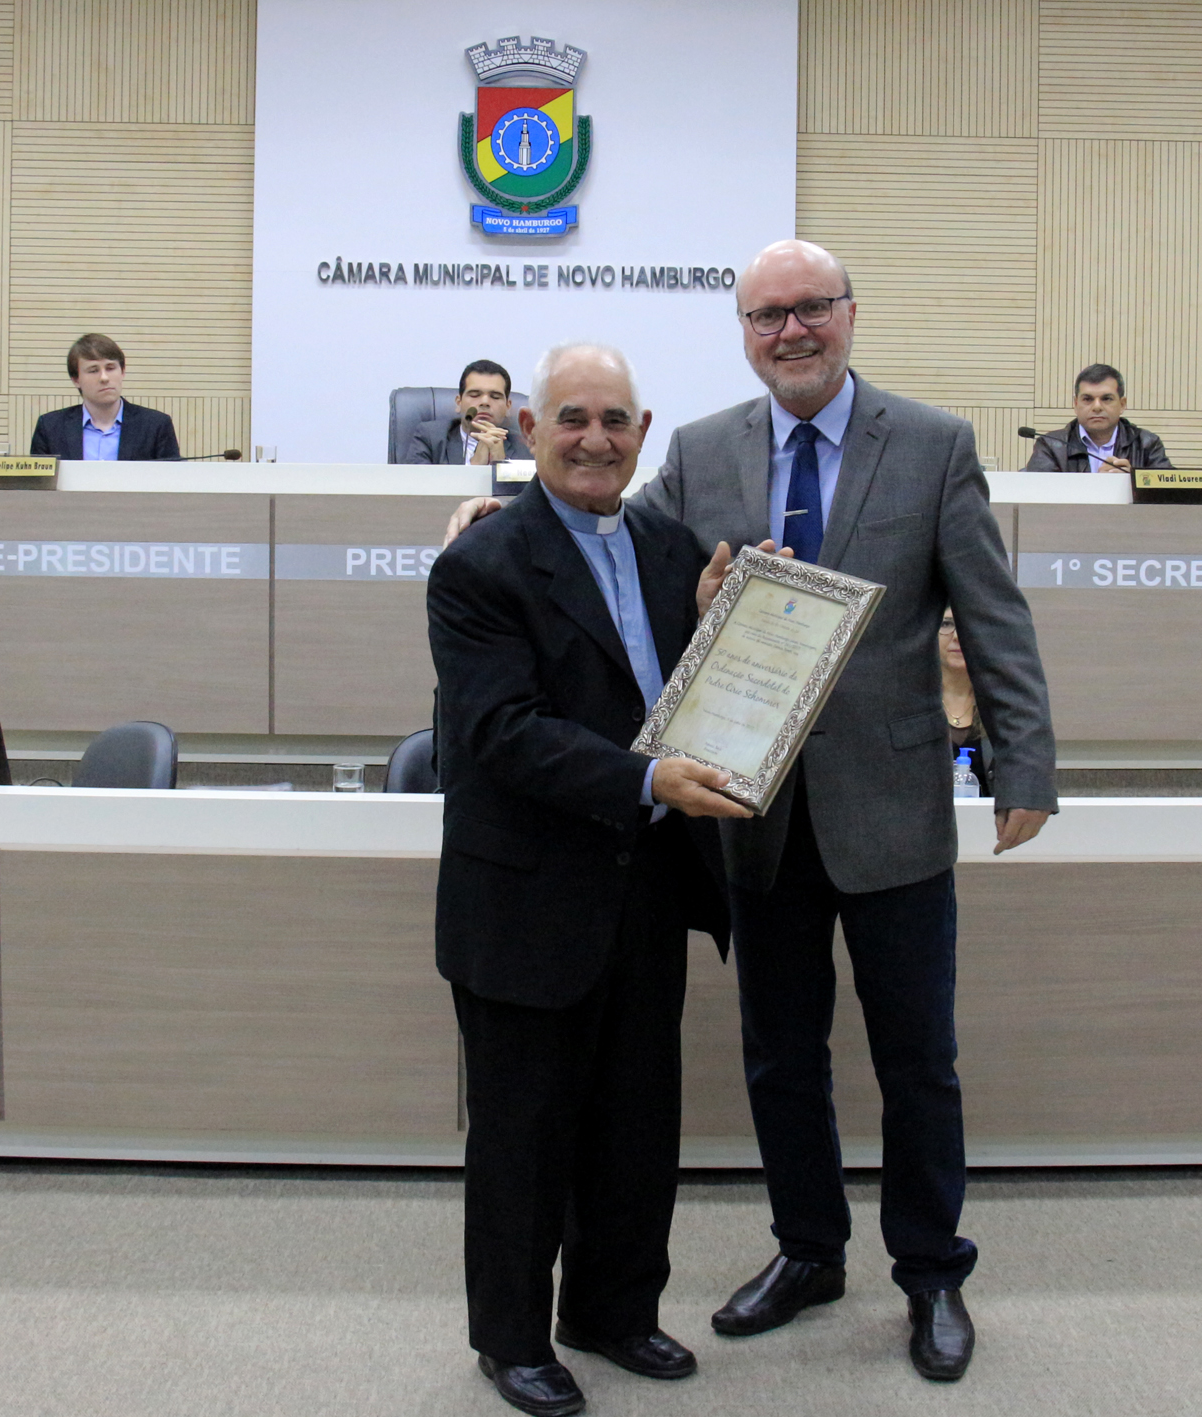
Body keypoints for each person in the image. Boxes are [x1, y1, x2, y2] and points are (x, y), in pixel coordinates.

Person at [441, 240, 1058, 1383]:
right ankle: (808, 1251)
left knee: (917, 1058)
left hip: (890, 807)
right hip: (749, 817)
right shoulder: (698, 448)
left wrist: (1021, 762)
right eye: (766, 314)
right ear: (741, 331)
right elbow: (598, 534)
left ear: (848, 315)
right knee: (781, 1056)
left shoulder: (931, 445)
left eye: (809, 308)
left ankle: (931, 1272)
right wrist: (493, 511)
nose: (790, 331)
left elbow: (992, 612)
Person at [428, 343, 747, 1417]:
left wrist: (717, 630)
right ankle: (511, 1338)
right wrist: (651, 774)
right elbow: (502, 733)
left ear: (642, 432)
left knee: (633, 1122)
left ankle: (612, 1310)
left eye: (614, 419)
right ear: (527, 429)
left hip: (643, 887)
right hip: (522, 895)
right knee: (522, 1135)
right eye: (571, 417)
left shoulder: (668, 549)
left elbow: (677, 695)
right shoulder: (479, 565)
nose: (593, 438)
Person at [27, 333, 181, 461]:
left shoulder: (156, 426)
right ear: (76, 380)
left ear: (122, 372)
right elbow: (38, 489)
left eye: (110, 368)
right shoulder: (50, 427)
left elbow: (172, 485)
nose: (104, 378)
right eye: (93, 370)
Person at [1023, 363, 1173, 473]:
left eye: (1106, 399)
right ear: (1076, 404)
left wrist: (1131, 482)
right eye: (1087, 399)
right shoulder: (1051, 446)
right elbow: (1038, 496)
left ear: (1122, 404)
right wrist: (1097, 485)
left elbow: (1169, 497)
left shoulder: (1146, 445)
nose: (1097, 407)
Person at [407, 359, 521, 465]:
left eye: (495, 397)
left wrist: (502, 466)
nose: (485, 402)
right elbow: (415, 484)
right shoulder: (429, 438)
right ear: (459, 402)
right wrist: (473, 468)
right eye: (474, 395)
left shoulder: (524, 446)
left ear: (507, 407)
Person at [939, 611, 992, 797]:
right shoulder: (911, 702)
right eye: (946, 624)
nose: (957, 636)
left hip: (990, 824)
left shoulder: (1003, 706)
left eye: (966, 624)